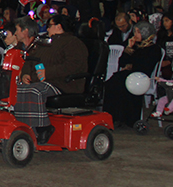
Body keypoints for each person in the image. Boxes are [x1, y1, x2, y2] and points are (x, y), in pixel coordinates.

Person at [12, 15, 87, 143]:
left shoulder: (73, 43)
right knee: (17, 89)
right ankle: (25, 128)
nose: (47, 29)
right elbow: (30, 59)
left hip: (62, 82)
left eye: (49, 25)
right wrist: (25, 74)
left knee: (35, 91)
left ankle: (43, 128)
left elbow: (73, 66)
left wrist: (48, 72)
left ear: (59, 26)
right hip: (41, 80)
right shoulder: (44, 43)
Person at [102, 21, 163, 127]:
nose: (135, 35)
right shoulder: (136, 47)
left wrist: (131, 66)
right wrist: (129, 48)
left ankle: (127, 119)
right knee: (112, 83)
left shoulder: (154, 49)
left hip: (141, 77)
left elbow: (144, 67)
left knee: (121, 82)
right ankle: (113, 117)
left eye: (138, 32)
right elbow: (122, 62)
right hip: (130, 74)